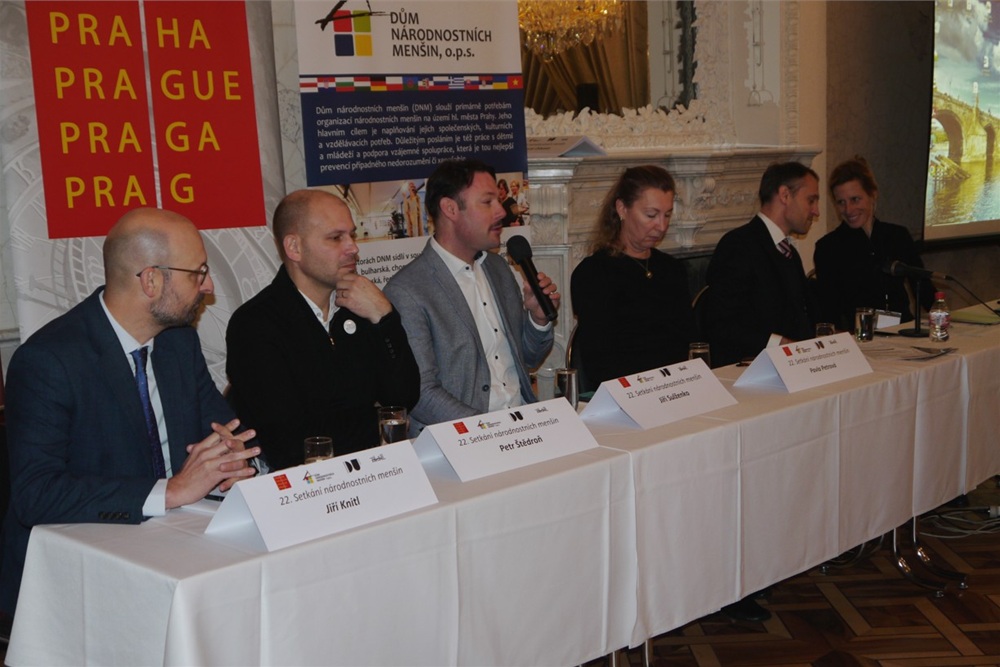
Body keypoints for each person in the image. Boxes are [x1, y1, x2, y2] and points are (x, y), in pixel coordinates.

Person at [0, 208, 260, 622]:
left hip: (176, 551)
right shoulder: (50, 360)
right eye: (197, 273)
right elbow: (37, 495)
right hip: (80, 574)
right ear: (151, 280)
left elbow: (226, 432)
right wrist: (170, 491)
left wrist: (237, 462)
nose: (208, 286)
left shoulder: (178, 344)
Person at [226, 189, 420, 470]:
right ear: (294, 248)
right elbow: (292, 442)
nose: (353, 248)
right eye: (336, 237)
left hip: (377, 472)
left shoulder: (360, 308)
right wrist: (370, 422)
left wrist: (385, 317)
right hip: (312, 484)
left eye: (352, 235)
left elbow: (403, 400)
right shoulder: (255, 325)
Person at [384, 159, 559, 433]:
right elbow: (421, 394)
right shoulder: (407, 291)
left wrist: (538, 319)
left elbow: (528, 359)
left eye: (498, 200)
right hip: (464, 437)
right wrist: (490, 429)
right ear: (450, 209)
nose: (501, 211)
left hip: (522, 424)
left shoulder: (498, 268)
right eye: (487, 202)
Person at [570, 165, 696, 388]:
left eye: (667, 215)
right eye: (651, 215)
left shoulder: (672, 269)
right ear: (622, 209)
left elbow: (687, 341)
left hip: (675, 387)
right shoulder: (594, 273)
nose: (662, 226)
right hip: (627, 392)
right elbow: (600, 362)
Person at [704, 161, 821, 369]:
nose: (816, 211)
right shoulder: (737, 246)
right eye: (811, 200)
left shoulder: (789, 252)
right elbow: (722, 323)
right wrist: (781, 344)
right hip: (752, 369)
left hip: (794, 366)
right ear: (785, 195)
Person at [814, 156, 932, 331]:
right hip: (859, 336)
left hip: (903, 330)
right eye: (841, 202)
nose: (848, 210)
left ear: (872, 195)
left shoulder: (897, 236)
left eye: (855, 199)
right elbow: (829, 311)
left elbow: (924, 289)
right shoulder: (828, 247)